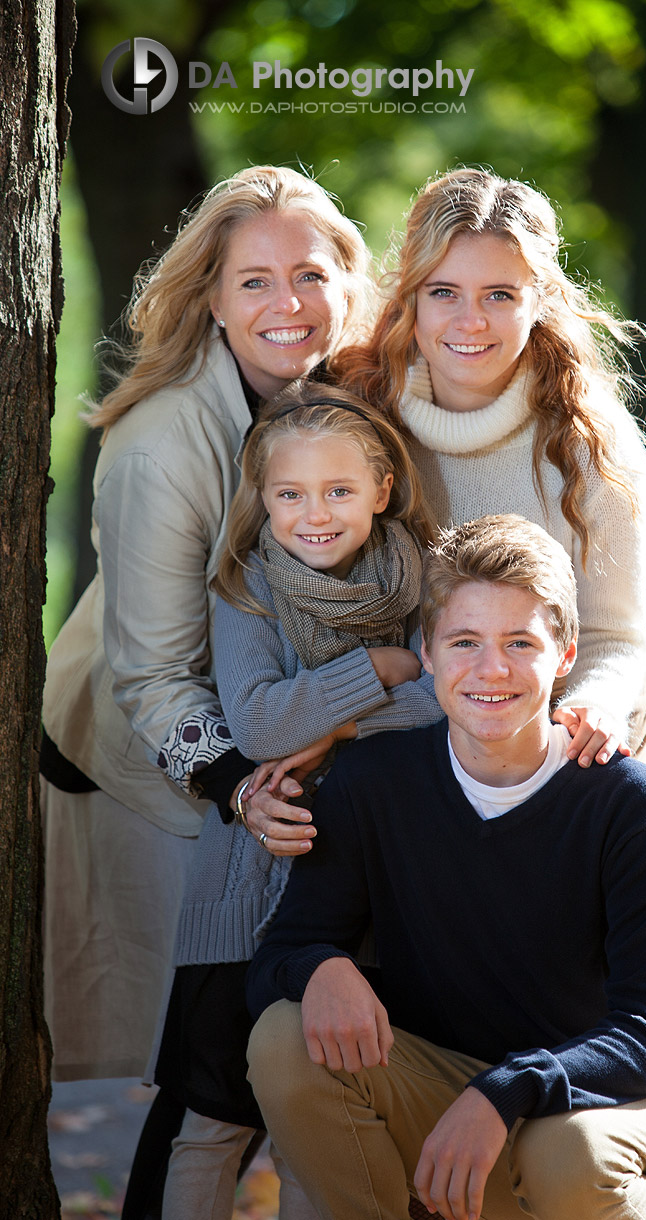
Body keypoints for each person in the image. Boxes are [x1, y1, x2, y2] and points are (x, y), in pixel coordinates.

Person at [39, 165, 370, 1209]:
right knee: (217, 1066)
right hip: (161, 758)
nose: (289, 305)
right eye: (257, 280)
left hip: (294, 735)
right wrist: (238, 783)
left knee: (299, 1055)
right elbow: (151, 672)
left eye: (311, 275)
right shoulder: (162, 440)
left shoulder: (354, 399)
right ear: (213, 296)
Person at [244, 513, 646, 1220]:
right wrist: (319, 967)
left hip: (620, 1105)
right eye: (464, 641)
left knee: (571, 1155)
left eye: (520, 643)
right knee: (285, 1039)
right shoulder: (373, 783)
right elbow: (276, 959)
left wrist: (507, 1088)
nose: (490, 669)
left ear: (564, 655)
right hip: (457, 1093)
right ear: (428, 653)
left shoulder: (624, 799)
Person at [154, 384, 442, 1220]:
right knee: (211, 1120)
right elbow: (257, 718)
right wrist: (382, 672)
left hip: (368, 893)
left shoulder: (422, 574)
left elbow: (447, 700)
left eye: (338, 491)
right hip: (246, 886)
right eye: (289, 495)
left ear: (382, 489)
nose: (313, 515)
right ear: (264, 499)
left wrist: (335, 729)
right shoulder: (246, 585)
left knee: (316, 1121)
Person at [339, 167, 646, 769]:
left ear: (539, 300)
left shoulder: (590, 442)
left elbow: (616, 641)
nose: (470, 321)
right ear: (411, 298)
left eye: (499, 294)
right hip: (383, 759)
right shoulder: (358, 426)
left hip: (542, 761)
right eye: (443, 291)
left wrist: (592, 710)